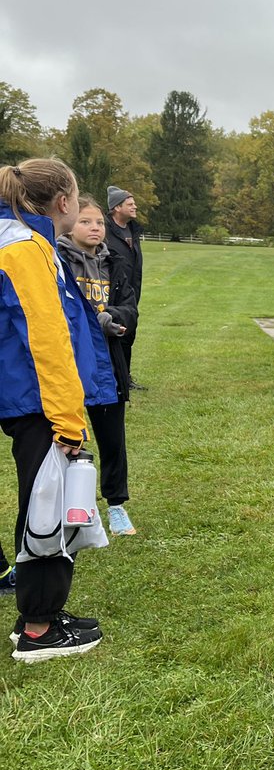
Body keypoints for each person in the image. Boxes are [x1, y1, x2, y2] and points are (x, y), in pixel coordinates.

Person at [0, 159, 117, 661]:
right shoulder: (26, 249)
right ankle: (40, 629)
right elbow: (47, 339)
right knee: (49, 504)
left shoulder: (19, 239)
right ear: (64, 201)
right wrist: (68, 421)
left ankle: (41, 614)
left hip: (23, 395)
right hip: (36, 401)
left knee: (43, 500)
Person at [58, 196, 138, 537]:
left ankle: (116, 507)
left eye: (99, 223)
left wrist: (112, 318)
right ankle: (68, 507)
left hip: (109, 365)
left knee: (112, 440)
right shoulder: (56, 262)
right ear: (70, 224)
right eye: (85, 221)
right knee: (66, 439)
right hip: (70, 364)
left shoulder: (115, 263)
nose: (94, 228)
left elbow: (130, 309)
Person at [105, 186, 144, 389]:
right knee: (115, 333)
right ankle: (114, 378)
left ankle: (125, 378)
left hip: (132, 291)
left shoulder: (133, 230)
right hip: (112, 292)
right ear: (116, 207)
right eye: (130, 204)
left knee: (129, 333)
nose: (135, 206)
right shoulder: (105, 231)